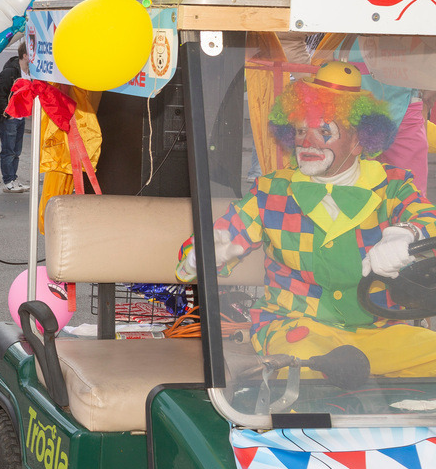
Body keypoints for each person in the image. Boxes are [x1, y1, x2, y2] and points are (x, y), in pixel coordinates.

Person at [177, 61, 436, 376]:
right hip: (297, 329)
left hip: (379, 331)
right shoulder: (271, 191)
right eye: (301, 129)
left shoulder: (392, 184)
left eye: (324, 131)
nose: (307, 143)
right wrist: (200, 255)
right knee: (304, 365)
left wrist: (407, 234)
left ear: (358, 141)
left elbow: (426, 217)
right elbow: (217, 239)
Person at [0, 44, 30, 193]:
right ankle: (8, 181)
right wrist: (7, 113)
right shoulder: (10, 72)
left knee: (16, 151)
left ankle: (13, 178)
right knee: (8, 150)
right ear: (25, 55)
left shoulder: (31, 73)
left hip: (21, 116)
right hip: (9, 117)